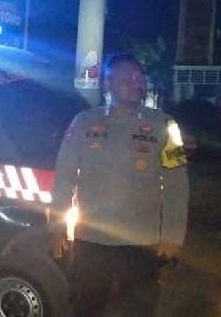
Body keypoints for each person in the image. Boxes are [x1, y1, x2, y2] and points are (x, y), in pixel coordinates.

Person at [53, 53, 189, 316]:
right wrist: (57, 226)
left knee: (136, 309)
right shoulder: (83, 122)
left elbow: (177, 184)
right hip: (91, 239)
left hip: (141, 241)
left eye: (140, 78)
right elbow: (64, 176)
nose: (137, 83)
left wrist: (173, 237)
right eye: (128, 78)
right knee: (87, 307)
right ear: (108, 84)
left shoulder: (165, 125)